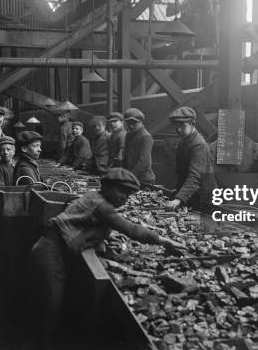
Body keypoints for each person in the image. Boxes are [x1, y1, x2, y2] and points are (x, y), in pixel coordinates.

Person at [29, 168, 185, 348]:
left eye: (128, 195)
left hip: (52, 246)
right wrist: (165, 241)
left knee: (53, 301)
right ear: (108, 187)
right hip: (51, 249)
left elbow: (85, 218)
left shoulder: (94, 196)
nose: (124, 198)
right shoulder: (103, 206)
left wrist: (105, 235)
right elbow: (131, 229)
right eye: (121, 192)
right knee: (50, 303)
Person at [165, 107, 217, 213]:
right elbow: (182, 174)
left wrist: (179, 198)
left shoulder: (199, 146)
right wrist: (177, 192)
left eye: (183, 126)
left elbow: (195, 177)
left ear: (193, 124)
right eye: (176, 126)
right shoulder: (184, 142)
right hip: (192, 194)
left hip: (203, 197)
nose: (179, 130)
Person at [122, 108, 155, 184]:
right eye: (128, 123)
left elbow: (143, 162)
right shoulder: (128, 135)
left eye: (134, 122)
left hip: (144, 179)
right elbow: (126, 158)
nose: (131, 126)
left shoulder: (146, 136)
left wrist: (129, 177)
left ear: (141, 122)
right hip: (131, 177)